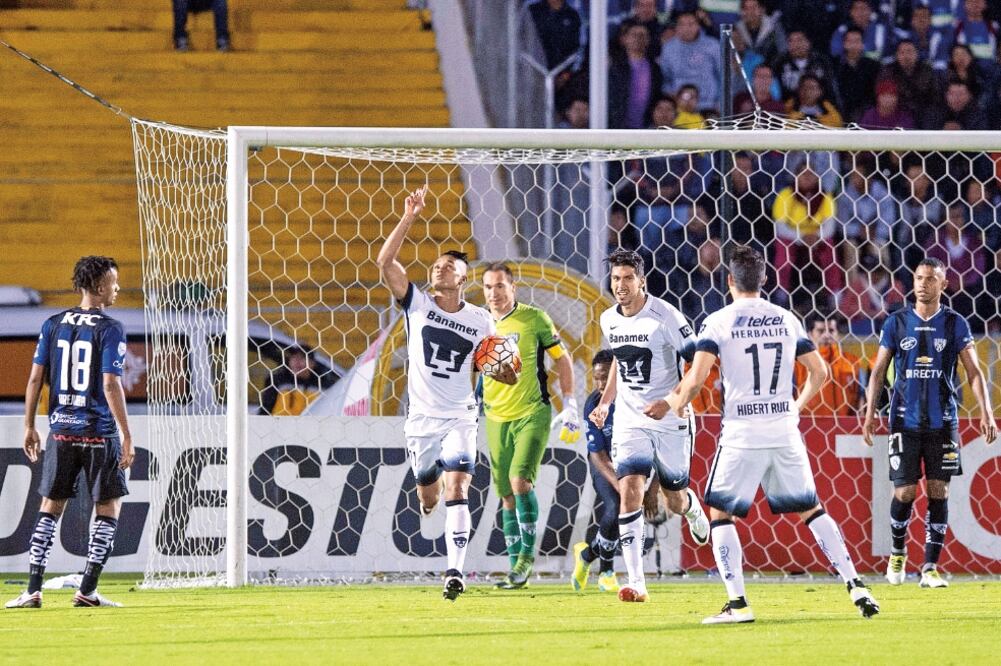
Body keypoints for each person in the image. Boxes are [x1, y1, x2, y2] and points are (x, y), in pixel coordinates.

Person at [667, 245, 879, 624]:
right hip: (783, 430)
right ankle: (856, 584)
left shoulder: (717, 321)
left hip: (742, 433)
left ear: (729, 281)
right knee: (812, 509)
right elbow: (819, 373)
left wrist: (674, 404)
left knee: (720, 513)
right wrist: (796, 407)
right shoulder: (786, 319)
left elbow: (697, 379)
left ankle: (738, 604)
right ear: (764, 279)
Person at [375, 186, 513, 601]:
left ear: (463, 279)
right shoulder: (417, 304)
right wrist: (409, 216)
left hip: (460, 416)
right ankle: (426, 495)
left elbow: (501, 371)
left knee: (458, 489)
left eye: (448, 267)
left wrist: (504, 369)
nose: (439, 270)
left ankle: (455, 571)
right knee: (428, 491)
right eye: (436, 266)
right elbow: (385, 263)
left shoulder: (481, 320)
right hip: (421, 419)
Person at [6, 256, 134, 609]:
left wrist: (29, 425)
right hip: (98, 432)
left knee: (50, 505)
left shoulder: (53, 324)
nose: (117, 288)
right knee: (108, 506)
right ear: (99, 286)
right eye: (113, 282)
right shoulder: (110, 328)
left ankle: (33, 590)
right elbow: (110, 384)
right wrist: (126, 434)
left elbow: (35, 379)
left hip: (61, 430)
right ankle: (87, 590)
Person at [863, 258, 998, 588]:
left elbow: (973, 372)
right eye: (919, 278)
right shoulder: (896, 322)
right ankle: (898, 553)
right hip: (903, 420)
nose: (923, 284)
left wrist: (986, 412)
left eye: (930, 279)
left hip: (944, 420)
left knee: (940, 490)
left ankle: (930, 568)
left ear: (943, 284)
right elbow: (878, 372)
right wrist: (869, 414)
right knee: (905, 491)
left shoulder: (955, 323)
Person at [588, 249, 710, 603]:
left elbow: (698, 364)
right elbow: (619, 360)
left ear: (642, 281)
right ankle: (636, 581)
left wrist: (673, 401)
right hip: (630, 420)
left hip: (670, 418)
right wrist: (606, 402)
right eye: (616, 279)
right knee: (631, 490)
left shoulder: (666, 316)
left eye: (628, 278)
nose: (621, 285)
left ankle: (692, 507)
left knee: (674, 500)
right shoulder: (608, 319)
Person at [480, 262, 578, 589]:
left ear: (513, 288)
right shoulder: (479, 323)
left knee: (520, 480)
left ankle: (526, 559)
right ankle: (515, 570)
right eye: (488, 287)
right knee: (507, 495)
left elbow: (562, 358)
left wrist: (570, 402)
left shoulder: (534, 319)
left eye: (500, 286)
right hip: (495, 417)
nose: (494, 293)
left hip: (532, 412)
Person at [571, 350, 622, 593]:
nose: (601, 384)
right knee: (617, 506)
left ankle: (587, 555)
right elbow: (598, 455)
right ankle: (607, 572)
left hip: (629, 463)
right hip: (604, 464)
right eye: (597, 378)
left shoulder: (632, 400)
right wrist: (620, 484)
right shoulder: (593, 405)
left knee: (625, 513)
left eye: (606, 378)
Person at [794, 314, 867, 416]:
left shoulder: (852, 362)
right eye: (821, 331)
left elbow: (861, 399)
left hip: (843, 423)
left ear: (838, 334)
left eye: (831, 331)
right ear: (809, 334)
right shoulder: (798, 364)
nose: (827, 335)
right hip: (808, 423)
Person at [659, 11, 722, 114]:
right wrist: (671, 96)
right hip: (679, 107)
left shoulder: (713, 45)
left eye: (691, 24)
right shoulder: (668, 48)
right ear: (676, 27)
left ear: (698, 26)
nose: (686, 28)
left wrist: (719, 103)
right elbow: (665, 78)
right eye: (682, 24)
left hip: (709, 106)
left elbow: (724, 76)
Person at [257, 345, 333, 416]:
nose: (297, 361)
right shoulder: (278, 380)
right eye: (293, 357)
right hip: (280, 423)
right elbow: (265, 410)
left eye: (302, 358)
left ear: (312, 364)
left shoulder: (322, 385)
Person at [528, 0, 582, 70]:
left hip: (561, 72)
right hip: (532, 69)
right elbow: (522, 43)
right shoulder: (532, 11)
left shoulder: (572, 15)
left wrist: (568, 71)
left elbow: (575, 48)